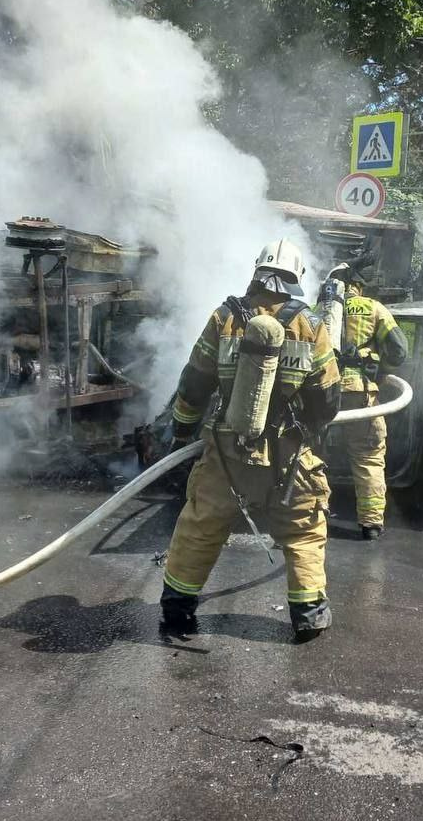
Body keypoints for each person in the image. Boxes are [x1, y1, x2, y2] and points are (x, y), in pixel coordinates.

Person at [161, 239, 341, 640]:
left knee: (200, 526)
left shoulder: (225, 317)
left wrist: (181, 434)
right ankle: (308, 615)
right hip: (289, 458)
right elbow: (327, 397)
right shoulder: (311, 325)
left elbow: (194, 384)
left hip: (226, 453)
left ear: (257, 271)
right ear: (295, 278)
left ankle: (177, 610)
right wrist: (312, 433)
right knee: (304, 532)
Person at [325, 263, 408, 540]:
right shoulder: (373, 308)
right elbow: (399, 350)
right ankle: (370, 524)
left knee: (310, 456)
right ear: (359, 284)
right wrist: (381, 369)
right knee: (368, 456)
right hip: (361, 393)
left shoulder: (320, 311)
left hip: (322, 393)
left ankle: (309, 515)